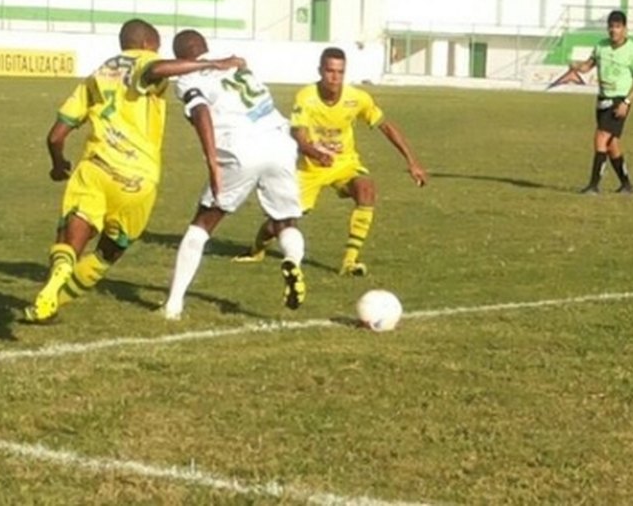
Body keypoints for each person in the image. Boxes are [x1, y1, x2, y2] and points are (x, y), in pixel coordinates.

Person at [24, 19, 243, 323]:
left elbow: (55, 137)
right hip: (137, 178)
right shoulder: (145, 60)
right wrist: (214, 63)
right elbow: (155, 70)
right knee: (108, 251)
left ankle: (54, 284)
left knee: (71, 237)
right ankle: (55, 301)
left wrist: (58, 164)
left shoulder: (98, 73)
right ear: (146, 44)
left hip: (95, 168)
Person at [235, 47, 427, 277]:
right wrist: (315, 153)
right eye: (330, 71)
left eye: (340, 72)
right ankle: (256, 250)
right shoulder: (306, 97)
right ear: (320, 70)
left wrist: (412, 162)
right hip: (310, 168)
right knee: (279, 223)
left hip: (344, 164)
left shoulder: (357, 98)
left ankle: (349, 262)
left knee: (366, 188)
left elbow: (385, 126)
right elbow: (297, 135)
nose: (335, 77)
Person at [162, 30, 306, 320]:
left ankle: (172, 306)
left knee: (203, 223)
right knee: (284, 221)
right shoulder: (235, 64)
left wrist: (212, 162)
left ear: (179, 57)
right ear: (205, 46)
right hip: (279, 143)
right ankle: (292, 259)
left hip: (241, 148)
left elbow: (201, 112)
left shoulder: (188, 78)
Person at [549, 10, 633, 194]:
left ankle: (594, 186)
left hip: (619, 100)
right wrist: (576, 66)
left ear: (625, 29)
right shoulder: (601, 46)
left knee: (600, 137)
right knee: (612, 144)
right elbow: (588, 66)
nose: (613, 30)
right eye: (611, 26)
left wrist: (626, 102)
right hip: (602, 99)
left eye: (618, 27)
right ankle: (626, 185)